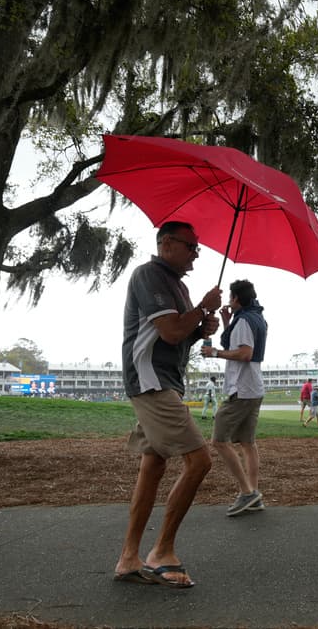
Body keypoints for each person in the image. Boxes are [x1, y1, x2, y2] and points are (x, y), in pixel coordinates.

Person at [114, 221, 223, 589]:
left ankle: (129, 558)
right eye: (191, 246)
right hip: (151, 381)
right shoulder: (149, 275)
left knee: (154, 464)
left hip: (166, 380)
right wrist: (200, 310)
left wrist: (202, 329)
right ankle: (162, 551)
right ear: (166, 244)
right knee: (199, 460)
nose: (196, 253)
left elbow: (180, 336)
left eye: (198, 248)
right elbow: (170, 331)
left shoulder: (177, 285)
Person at [201, 279, 268, 517]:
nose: (229, 301)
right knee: (248, 444)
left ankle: (247, 492)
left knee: (219, 440)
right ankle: (254, 493)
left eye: (231, 297)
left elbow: (245, 353)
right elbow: (243, 345)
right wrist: (228, 322)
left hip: (241, 389)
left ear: (236, 298)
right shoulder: (257, 317)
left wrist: (215, 353)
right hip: (254, 388)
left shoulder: (244, 320)